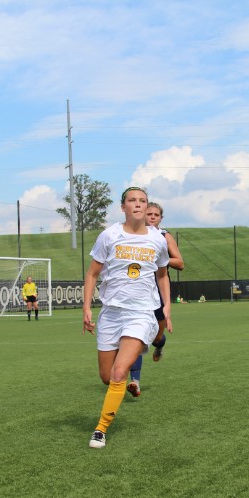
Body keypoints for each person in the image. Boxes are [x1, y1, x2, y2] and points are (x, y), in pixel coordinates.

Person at [82, 187, 171, 449]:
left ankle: (100, 429)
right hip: (111, 313)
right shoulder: (109, 236)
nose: (138, 204)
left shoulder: (158, 240)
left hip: (142, 313)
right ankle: (122, 388)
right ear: (123, 207)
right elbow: (92, 274)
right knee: (107, 377)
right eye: (132, 200)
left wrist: (166, 307)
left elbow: (163, 275)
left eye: (142, 201)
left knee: (121, 372)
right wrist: (87, 308)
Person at [126, 201, 184, 397]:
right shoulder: (132, 235)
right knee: (138, 336)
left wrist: (159, 260)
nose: (151, 217)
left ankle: (160, 345)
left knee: (156, 337)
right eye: (148, 214)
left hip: (158, 290)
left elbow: (180, 262)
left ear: (160, 218)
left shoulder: (163, 236)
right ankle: (135, 381)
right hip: (137, 291)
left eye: (155, 215)